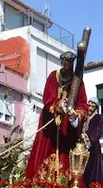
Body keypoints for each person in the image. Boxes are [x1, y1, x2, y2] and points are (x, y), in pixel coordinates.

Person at [25, 51, 88, 180]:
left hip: (67, 126)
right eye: (64, 63)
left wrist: (77, 115)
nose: (66, 66)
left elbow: (82, 104)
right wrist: (58, 104)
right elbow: (47, 97)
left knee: (67, 155)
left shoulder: (78, 82)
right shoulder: (53, 76)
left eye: (69, 64)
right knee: (45, 151)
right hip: (50, 122)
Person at [81, 97, 103, 186]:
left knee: (91, 172)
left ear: (96, 108)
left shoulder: (97, 118)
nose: (90, 108)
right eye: (89, 105)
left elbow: (96, 133)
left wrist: (84, 138)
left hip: (92, 149)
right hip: (81, 148)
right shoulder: (84, 117)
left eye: (93, 106)